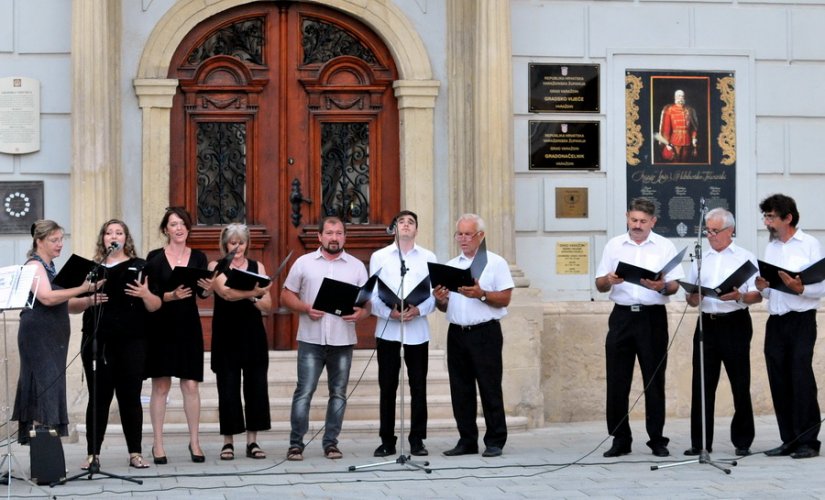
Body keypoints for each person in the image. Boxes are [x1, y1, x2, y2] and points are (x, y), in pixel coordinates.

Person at [594, 197, 684, 458]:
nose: (637, 225)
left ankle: (657, 439)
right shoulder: (614, 246)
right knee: (617, 380)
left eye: (643, 221)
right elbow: (599, 284)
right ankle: (620, 439)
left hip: (652, 318)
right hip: (622, 317)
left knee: (654, 380)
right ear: (626, 217)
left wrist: (662, 286)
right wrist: (609, 280)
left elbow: (675, 285)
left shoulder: (665, 246)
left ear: (653, 222)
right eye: (633, 220)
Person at [280, 216, 370, 461]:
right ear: (319, 236)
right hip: (311, 338)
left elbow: (367, 304)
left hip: (342, 340)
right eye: (329, 233)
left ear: (344, 237)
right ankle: (296, 444)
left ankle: (331, 443)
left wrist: (362, 313)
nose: (334, 237)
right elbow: (286, 295)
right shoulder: (304, 263)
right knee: (304, 391)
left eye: (339, 233)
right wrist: (305, 307)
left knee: (338, 393)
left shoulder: (356, 266)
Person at [78, 219, 161, 470]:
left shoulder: (141, 266)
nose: (113, 236)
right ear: (102, 239)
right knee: (98, 398)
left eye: (119, 232)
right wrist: (89, 299)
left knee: (130, 398)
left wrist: (145, 294)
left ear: (126, 238)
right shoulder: (92, 269)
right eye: (109, 232)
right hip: (97, 342)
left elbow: (156, 305)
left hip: (132, 341)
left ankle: (135, 452)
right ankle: (93, 454)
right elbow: (71, 304)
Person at [12, 220, 104, 445]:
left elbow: (67, 305)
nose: (60, 244)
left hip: (54, 337)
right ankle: (43, 448)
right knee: (42, 386)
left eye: (62, 239)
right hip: (38, 336)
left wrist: (89, 300)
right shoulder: (34, 266)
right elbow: (46, 297)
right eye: (54, 240)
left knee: (51, 386)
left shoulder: (51, 268)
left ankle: (47, 446)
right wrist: (83, 288)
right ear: (39, 241)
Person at [432, 213, 514, 458]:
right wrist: (441, 300)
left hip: (484, 332)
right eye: (460, 234)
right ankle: (467, 439)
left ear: (481, 236)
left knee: (489, 387)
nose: (463, 238)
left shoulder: (495, 263)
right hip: (457, 332)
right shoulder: (451, 265)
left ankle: (495, 439)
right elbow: (446, 306)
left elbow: (505, 299)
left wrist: (481, 294)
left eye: (469, 234)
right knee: (460, 389)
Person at [682, 208, 760, 457]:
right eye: (707, 230)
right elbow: (691, 300)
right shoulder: (700, 258)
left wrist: (739, 296)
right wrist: (693, 296)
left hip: (735, 322)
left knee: (740, 382)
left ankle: (743, 440)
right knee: (702, 383)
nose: (710, 235)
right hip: (707, 323)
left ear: (730, 231)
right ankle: (700, 441)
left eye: (715, 231)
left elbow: (757, 295)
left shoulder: (745, 258)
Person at [755, 194, 824, 459]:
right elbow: (773, 289)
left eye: (771, 217)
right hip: (776, 321)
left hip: (801, 321)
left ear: (788, 218)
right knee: (779, 379)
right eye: (765, 216)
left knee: (801, 378)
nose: (766, 222)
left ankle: (808, 441)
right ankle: (789, 439)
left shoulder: (809, 244)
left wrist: (801, 287)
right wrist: (764, 288)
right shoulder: (772, 247)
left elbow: (821, 285)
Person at [143, 207, 212, 464]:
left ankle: (195, 441)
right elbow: (148, 295)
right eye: (173, 224)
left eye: (183, 223)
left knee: (190, 385)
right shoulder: (153, 258)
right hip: (160, 325)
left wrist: (208, 288)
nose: (179, 228)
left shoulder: (199, 257)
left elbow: (203, 293)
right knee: (160, 385)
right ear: (165, 229)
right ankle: (158, 444)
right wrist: (170, 296)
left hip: (188, 325)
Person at [369, 210, 437, 457]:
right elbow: (373, 295)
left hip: (417, 332)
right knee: (387, 386)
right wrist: (390, 313)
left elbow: (433, 295)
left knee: (418, 386)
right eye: (401, 222)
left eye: (411, 223)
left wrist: (418, 309)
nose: (406, 225)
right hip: (388, 332)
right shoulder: (380, 257)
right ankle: (387, 439)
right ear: (394, 228)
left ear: (416, 230)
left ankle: (417, 439)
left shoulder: (428, 256)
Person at [208, 223, 273, 461]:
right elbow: (226, 293)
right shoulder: (216, 266)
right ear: (225, 244)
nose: (237, 247)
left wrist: (258, 297)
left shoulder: (258, 267)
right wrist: (254, 293)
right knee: (228, 387)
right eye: (233, 242)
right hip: (226, 333)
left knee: (256, 386)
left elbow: (268, 305)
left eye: (241, 242)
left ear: (247, 244)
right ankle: (228, 442)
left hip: (252, 333)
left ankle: (252, 441)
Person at [655, 89, 699, 162]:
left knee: (685, 161)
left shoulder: (690, 110)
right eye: (679, 96)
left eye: (682, 96)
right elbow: (666, 129)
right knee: (675, 161)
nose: (680, 98)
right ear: (675, 97)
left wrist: (694, 138)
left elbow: (693, 127)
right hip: (675, 141)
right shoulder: (670, 110)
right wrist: (667, 143)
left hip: (687, 141)